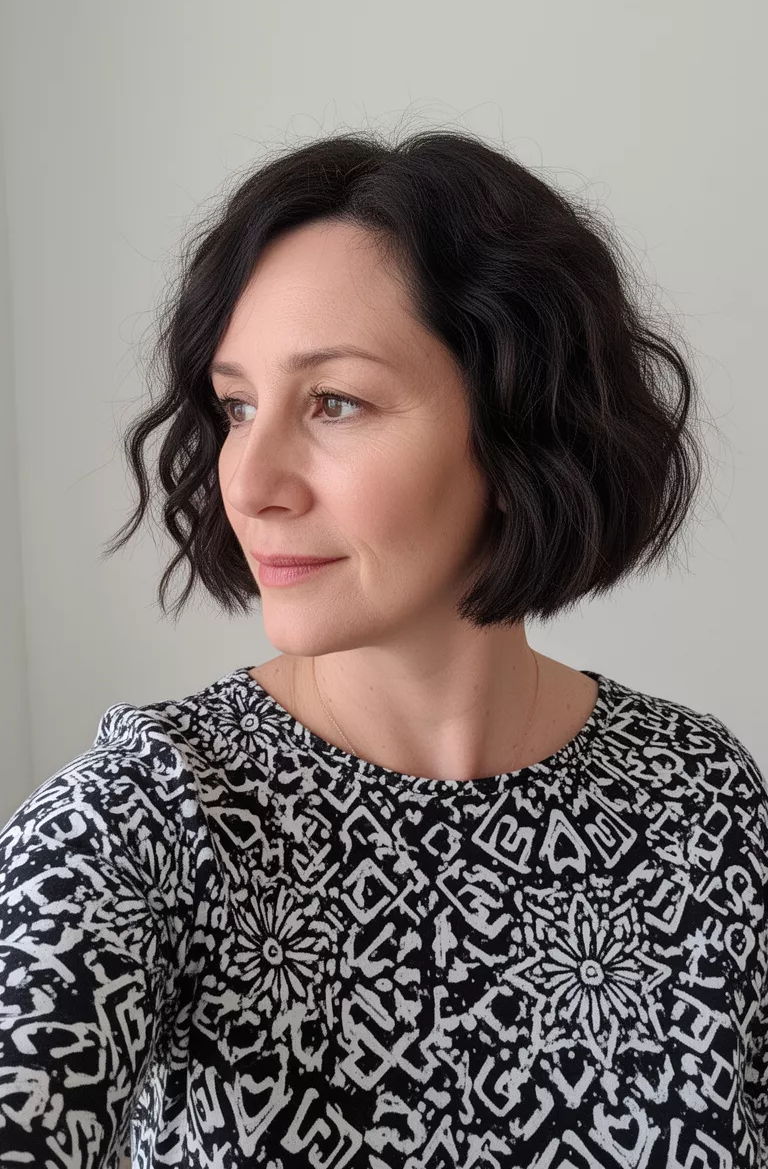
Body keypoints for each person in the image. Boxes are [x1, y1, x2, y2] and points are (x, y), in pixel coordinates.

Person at [1, 128, 765, 1166]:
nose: (250, 482)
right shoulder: (145, 819)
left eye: (335, 402)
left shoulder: (700, 797)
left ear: (520, 424)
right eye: (237, 407)